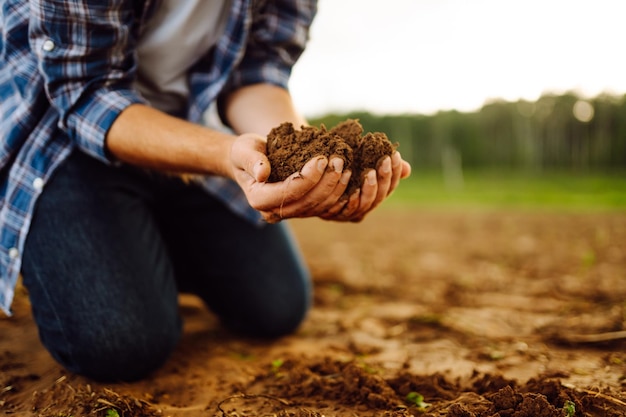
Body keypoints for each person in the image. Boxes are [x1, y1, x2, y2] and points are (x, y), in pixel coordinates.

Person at [0, 0, 411, 382]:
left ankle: (136, 243)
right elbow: (85, 92)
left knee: (274, 307)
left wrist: (300, 158)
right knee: (121, 343)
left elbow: (257, 72)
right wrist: (226, 156)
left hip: (191, 126)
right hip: (65, 137)